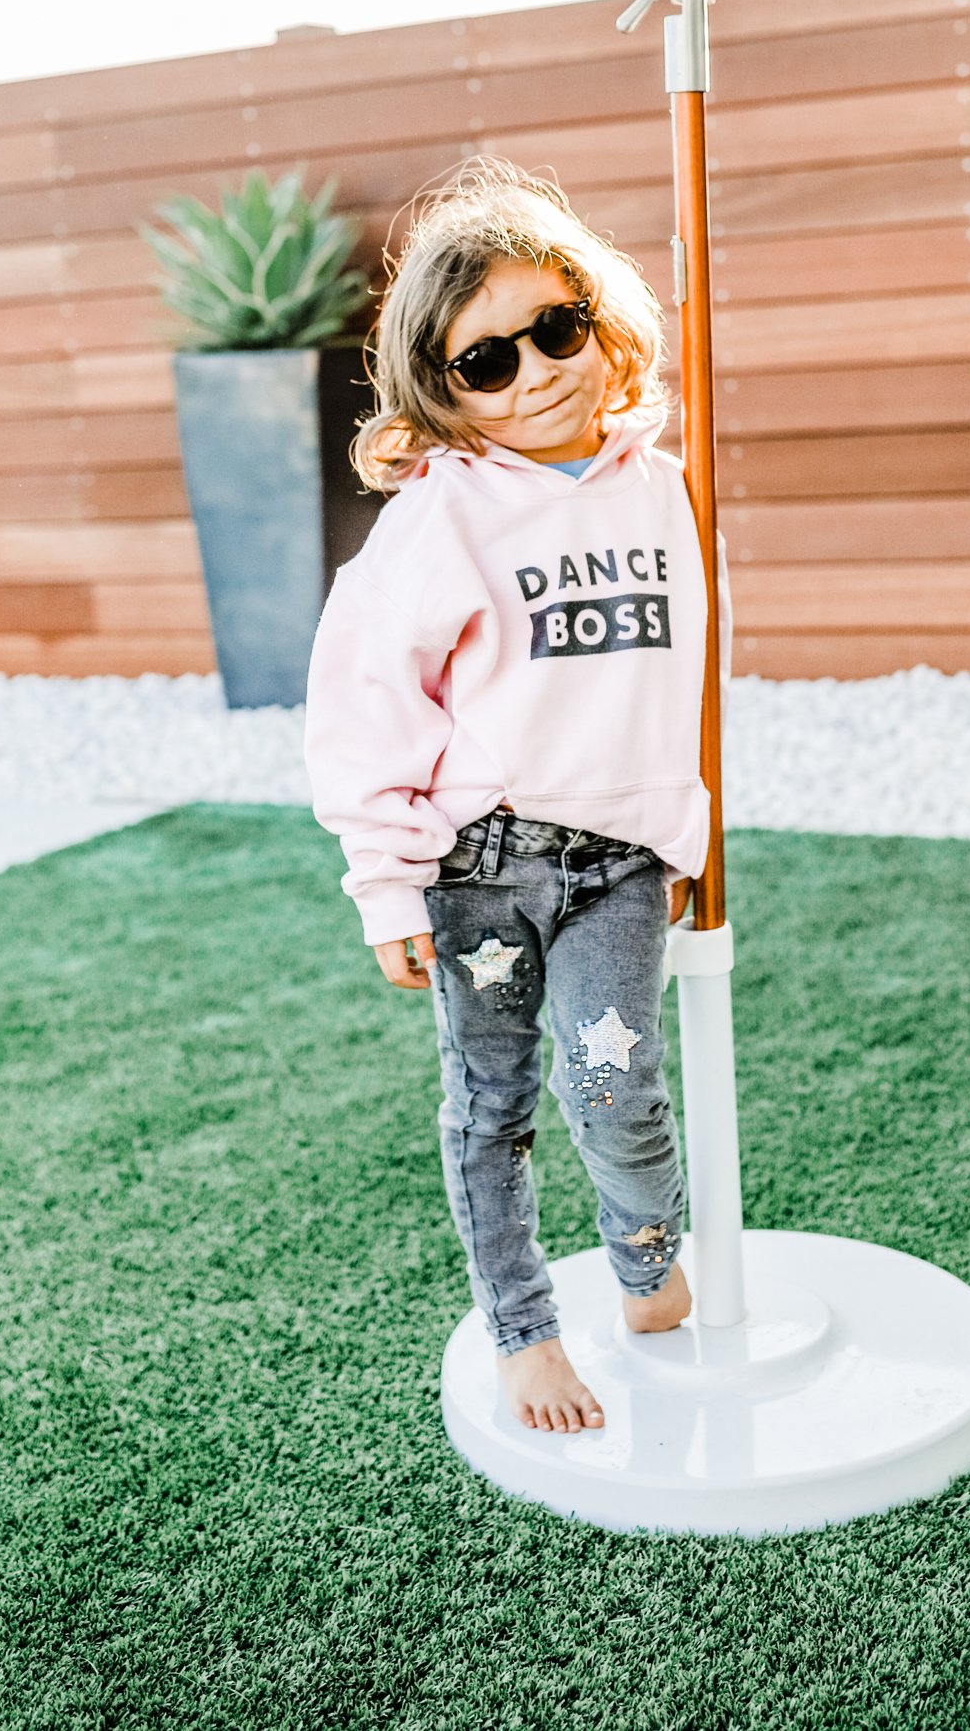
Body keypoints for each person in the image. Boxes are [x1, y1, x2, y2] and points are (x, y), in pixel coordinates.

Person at [302, 156, 730, 1436]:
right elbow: (363, 698)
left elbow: (672, 676)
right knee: (490, 1103)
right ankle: (524, 1330)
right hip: (479, 868)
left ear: (602, 326)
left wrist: (680, 825)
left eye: (556, 329)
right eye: (487, 360)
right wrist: (382, 877)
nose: (535, 370)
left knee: (616, 1084)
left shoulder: (664, 483)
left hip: (619, 868)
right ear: (443, 390)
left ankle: (646, 1268)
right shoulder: (438, 521)